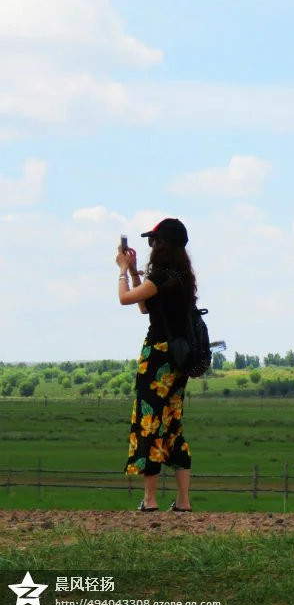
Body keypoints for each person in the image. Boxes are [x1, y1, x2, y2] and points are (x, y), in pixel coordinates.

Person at [116, 218, 196, 512]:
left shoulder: (162, 276)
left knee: (148, 423)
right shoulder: (182, 277)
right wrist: (138, 275)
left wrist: (123, 271)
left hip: (157, 358)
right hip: (178, 360)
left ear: (162, 245)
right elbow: (145, 306)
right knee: (173, 424)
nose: (151, 247)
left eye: (154, 241)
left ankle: (150, 500)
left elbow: (125, 300)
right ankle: (184, 501)